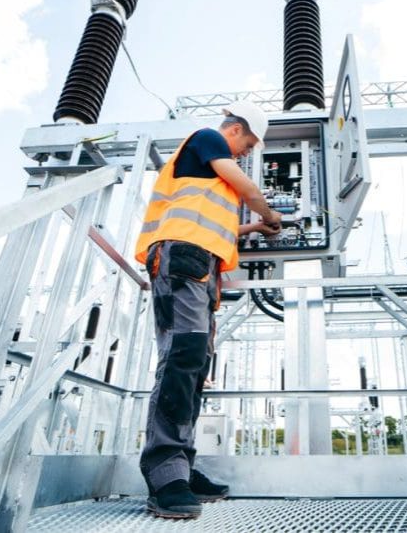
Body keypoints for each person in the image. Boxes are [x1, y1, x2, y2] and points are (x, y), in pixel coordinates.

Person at [133, 100, 282, 520]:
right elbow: (250, 191)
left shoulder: (209, 176)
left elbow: (217, 224)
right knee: (183, 357)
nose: (247, 153)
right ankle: (165, 474)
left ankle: (181, 465)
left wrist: (253, 227)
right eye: (249, 144)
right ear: (235, 129)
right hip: (182, 258)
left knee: (195, 364)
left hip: (199, 265)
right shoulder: (208, 138)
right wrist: (269, 214)